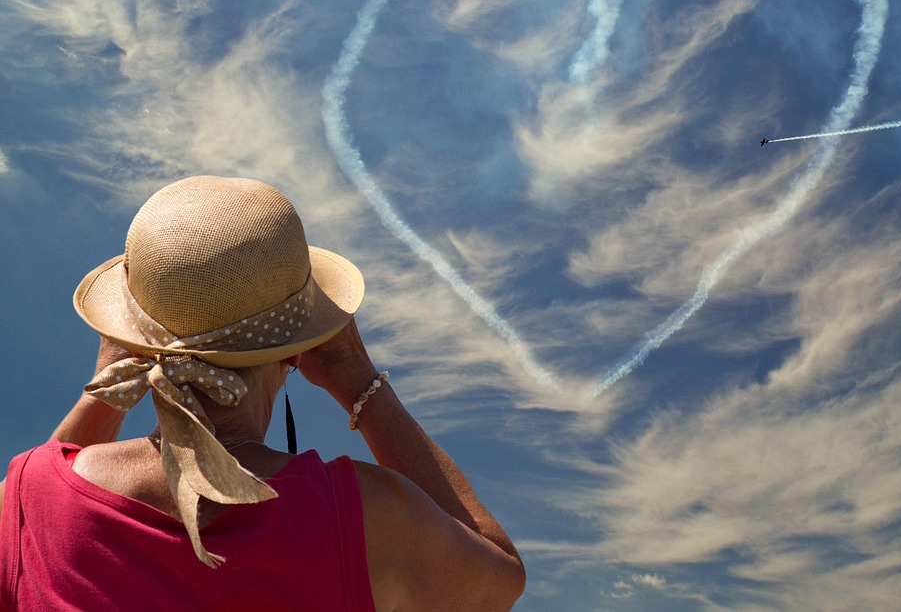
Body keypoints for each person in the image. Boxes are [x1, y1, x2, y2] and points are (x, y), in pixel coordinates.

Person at [0, 176, 526, 611]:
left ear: (128, 342)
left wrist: (105, 391)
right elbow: (500, 577)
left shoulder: (31, 497)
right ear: (300, 352)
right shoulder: (369, 519)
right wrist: (359, 379)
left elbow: (29, 516)